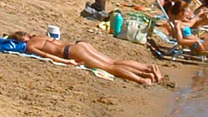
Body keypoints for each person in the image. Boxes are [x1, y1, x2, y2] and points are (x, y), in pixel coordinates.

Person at [12, 32, 163, 85]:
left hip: (71, 52)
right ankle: (148, 69)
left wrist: (67, 61)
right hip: (79, 45)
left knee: (110, 67)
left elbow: (47, 55)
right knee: (113, 61)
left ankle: (142, 79)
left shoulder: (30, 45)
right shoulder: (39, 36)